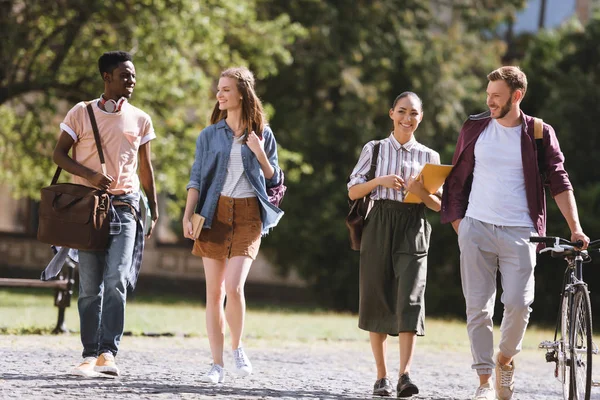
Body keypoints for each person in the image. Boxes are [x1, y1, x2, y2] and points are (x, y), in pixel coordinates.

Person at [441, 66, 589, 400]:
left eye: (496, 96)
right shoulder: (475, 127)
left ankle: (504, 360)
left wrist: (575, 228)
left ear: (516, 96)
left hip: (521, 232)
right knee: (477, 308)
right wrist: (459, 224)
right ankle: (483, 382)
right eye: (488, 94)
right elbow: (456, 179)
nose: (489, 101)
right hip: (475, 227)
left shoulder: (538, 132)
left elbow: (559, 180)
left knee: (520, 304)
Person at [52, 50, 159, 377]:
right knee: (89, 286)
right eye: (125, 75)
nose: (132, 81)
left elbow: (145, 167)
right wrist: (90, 175)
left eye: (134, 76)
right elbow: (59, 155)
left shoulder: (141, 119)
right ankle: (88, 354)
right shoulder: (80, 113)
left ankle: (107, 354)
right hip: (87, 209)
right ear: (107, 77)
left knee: (116, 280)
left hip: (125, 208)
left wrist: (152, 210)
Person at [182, 66, 284, 384]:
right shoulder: (209, 135)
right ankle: (216, 364)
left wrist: (260, 154)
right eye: (219, 89)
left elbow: (275, 179)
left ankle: (237, 348)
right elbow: (196, 178)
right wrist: (188, 215)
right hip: (214, 213)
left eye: (226, 89)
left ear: (241, 93)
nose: (220, 94)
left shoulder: (263, 134)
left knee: (234, 287)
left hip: (249, 215)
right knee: (214, 294)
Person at [347, 92, 441, 398]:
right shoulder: (374, 149)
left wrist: (419, 191)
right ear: (391, 113)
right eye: (402, 111)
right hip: (379, 224)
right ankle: (382, 377)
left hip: (414, 225)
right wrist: (380, 182)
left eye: (413, 113)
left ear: (421, 117)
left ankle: (405, 375)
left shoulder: (430, 156)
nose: (407, 118)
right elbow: (352, 191)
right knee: (377, 295)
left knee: (410, 297)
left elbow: (440, 206)